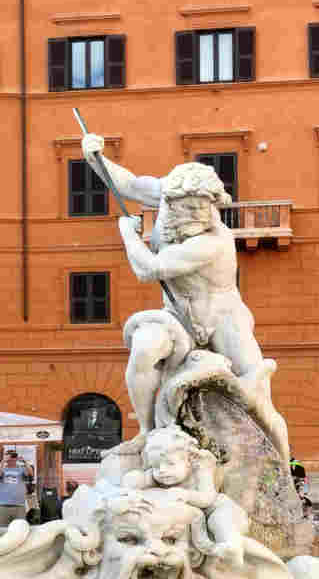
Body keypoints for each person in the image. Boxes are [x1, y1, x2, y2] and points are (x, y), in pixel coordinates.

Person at [84, 133, 292, 464]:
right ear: (172, 202)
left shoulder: (212, 241)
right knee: (144, 347)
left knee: (258, 399)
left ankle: (283, 463)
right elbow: (129, 185)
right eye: (190, 208)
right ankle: (146, 432)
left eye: (204, 208)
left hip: (224, 318)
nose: (198, 215)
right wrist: (95, 158)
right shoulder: (168, 193)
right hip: (178, 315)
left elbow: (149, 269)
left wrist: (126, 233)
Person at [0, 449, 32, 527]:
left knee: (20, 529)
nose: (11, 458)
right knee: (1, 529)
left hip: (19, 505)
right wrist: (3, 461)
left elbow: (30, 473)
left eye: (14, 456)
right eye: (9, 456)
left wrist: (25, 461)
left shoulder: (21, 468)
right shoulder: (2, 468)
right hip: (3, 505)